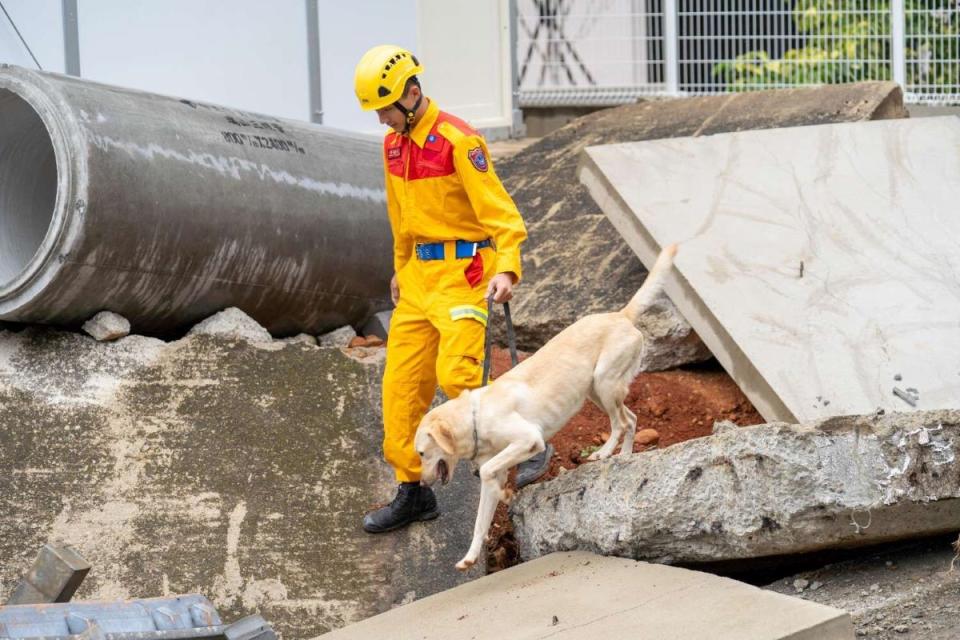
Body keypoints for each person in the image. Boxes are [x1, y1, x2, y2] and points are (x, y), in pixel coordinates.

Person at [355, 45, 553, 533]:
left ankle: (531, 442)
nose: (381, 119)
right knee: (400, 391)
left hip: (466, 276)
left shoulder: (459, 141)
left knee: (458, 377)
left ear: (412, 93)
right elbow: (399, 219)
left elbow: (501, 214)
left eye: (384, 108)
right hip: (419, 283)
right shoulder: (393, 146)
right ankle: (413, 492)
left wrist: (506, 267)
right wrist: (401, 267)